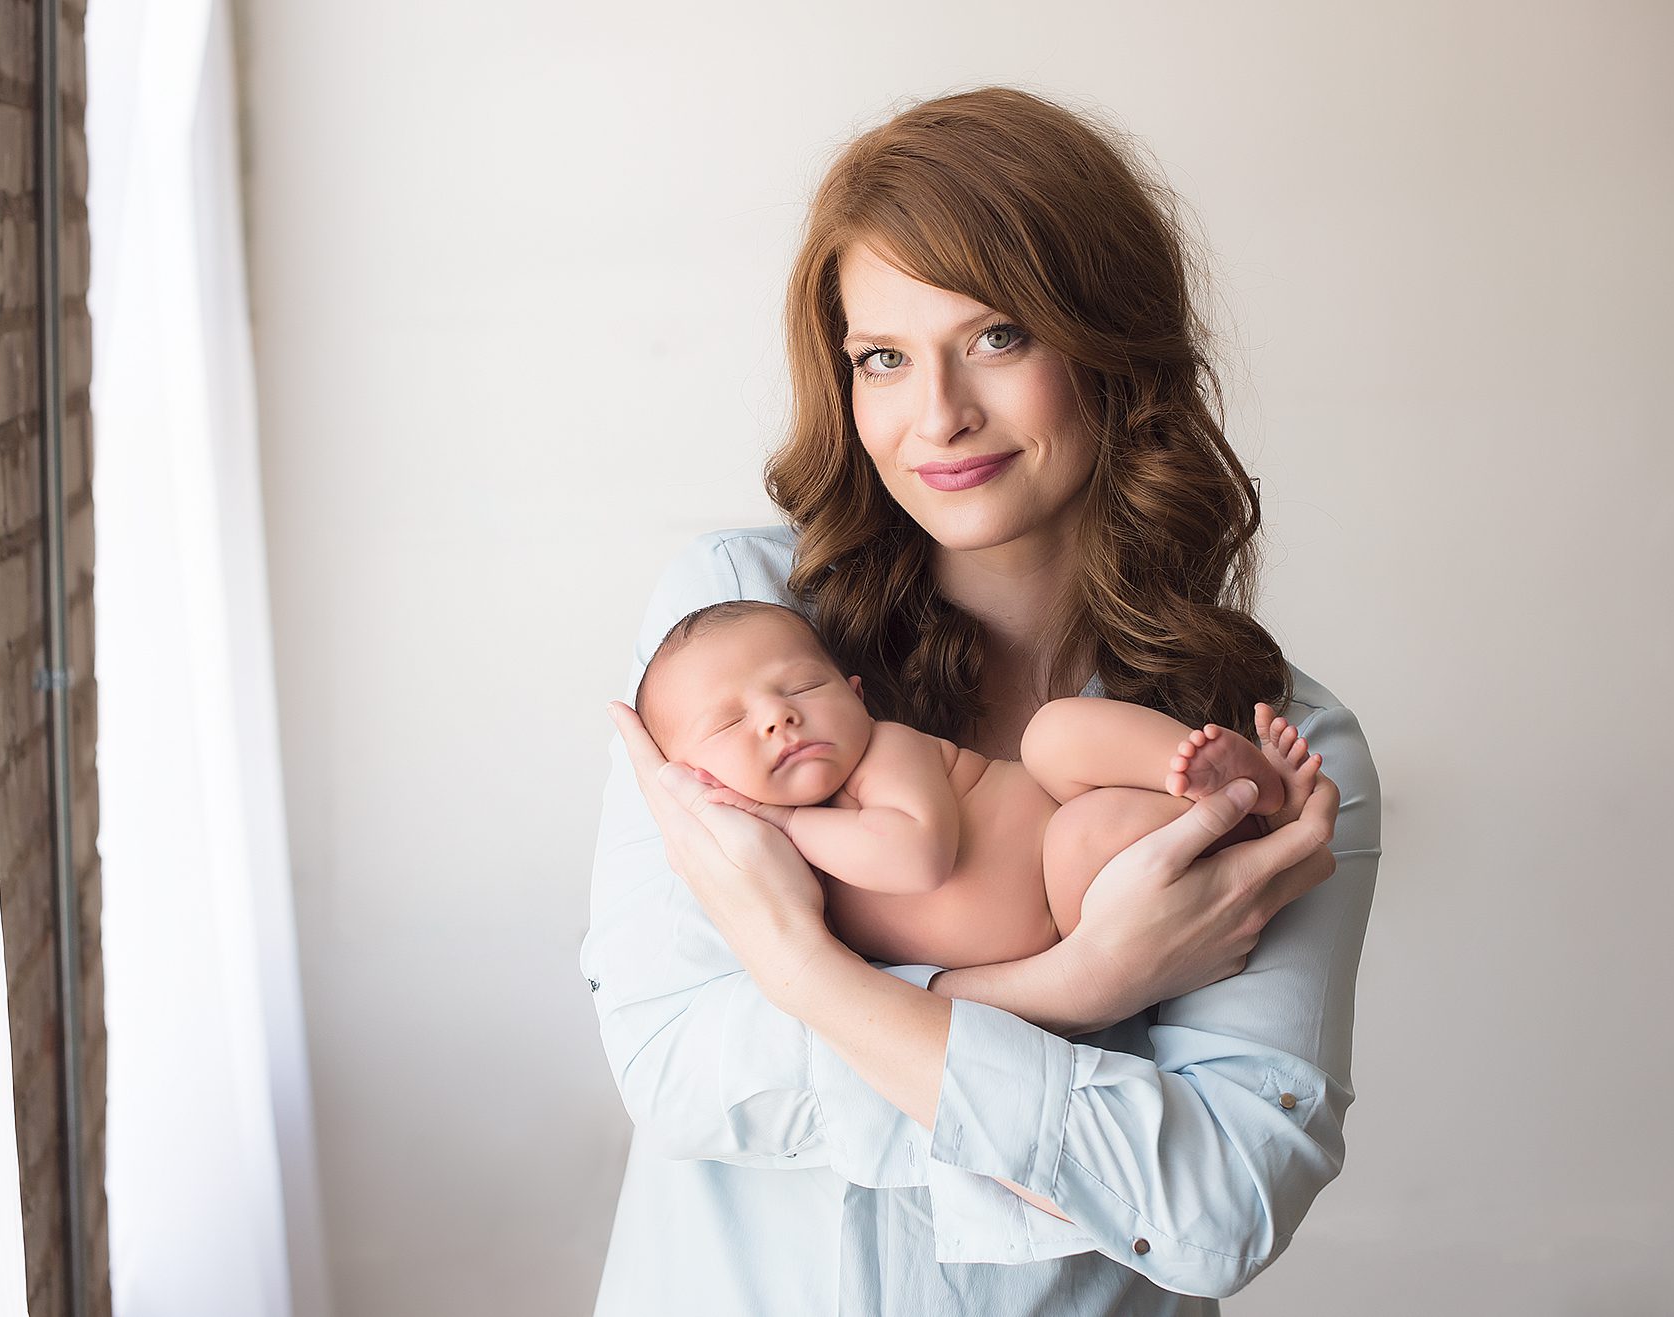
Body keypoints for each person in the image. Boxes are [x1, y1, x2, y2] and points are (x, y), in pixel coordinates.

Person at [583, 86, 1381, 1314]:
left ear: (1110, 348)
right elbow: (676, 1065)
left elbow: (1218, 1206)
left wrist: (810, 983)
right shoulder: (733, 636)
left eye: (998, 336)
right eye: (883, 358)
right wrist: (1077, 991)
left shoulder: (1282, 755)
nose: (938, 415)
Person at [621, 598, 1326, 982]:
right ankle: (1240, 811)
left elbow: (916, 857)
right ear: (693, 779)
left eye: (803, 684)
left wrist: (786, 820)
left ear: (857, 696)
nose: (778, 714)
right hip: (1080, 915)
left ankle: (1231, 781)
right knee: (1087, 831)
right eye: (731, 722)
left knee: (1056, 732)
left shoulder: (881, 755)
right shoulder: (755, 871)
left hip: (1069, 841)